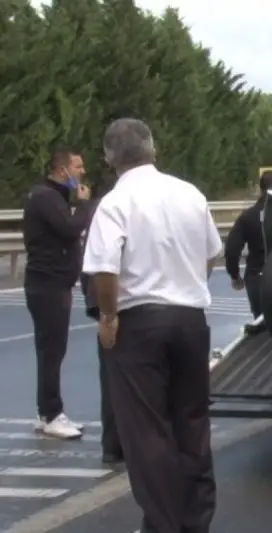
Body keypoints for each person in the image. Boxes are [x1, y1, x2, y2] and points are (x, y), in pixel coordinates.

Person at [83, 118, 221, 533]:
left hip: (139, 322)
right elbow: (211, 253)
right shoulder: (189, 194)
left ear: (109, 159)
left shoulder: (114, 203)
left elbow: (104, 270)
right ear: (153, 149)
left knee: (147, 432)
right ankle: (197, 520)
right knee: (192, 422)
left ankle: (163, 524)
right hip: (190, 318)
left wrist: (108, 317)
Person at [22, 146, 92, 440]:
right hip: (48, 284)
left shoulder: (50, 196)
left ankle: (44, 411)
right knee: (52, 350)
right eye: (77, 167)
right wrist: (86, 205)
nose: (82, 172)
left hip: (50, 283)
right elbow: (69, 229)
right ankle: (52, 414)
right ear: (62, 170)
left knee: (49, 350)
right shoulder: (46, 197)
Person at [79, 177, 123, 464]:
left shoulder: (99, 212)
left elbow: (88, 270)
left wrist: (98, 312)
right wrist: (105, 314)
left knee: (111, 380)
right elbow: (101, 269)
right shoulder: (111, 212)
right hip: (124, 309)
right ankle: (123, 445)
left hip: (108, 308)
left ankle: (113, 446)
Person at [224, 170, 272, 318]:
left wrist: (235, 274)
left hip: (256, 277)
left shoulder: (248, 216)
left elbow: (232, 247)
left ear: (261, 188)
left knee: (261, 322)